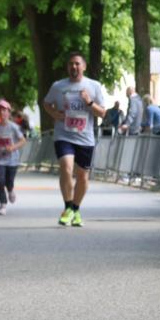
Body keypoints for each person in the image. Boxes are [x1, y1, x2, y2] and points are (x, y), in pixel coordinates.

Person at [42, 52, 106, 227]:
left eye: (77, 63)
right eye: (71, 64)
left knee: (83, 176)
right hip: (64, 134)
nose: (74, 67)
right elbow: (46, 103)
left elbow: (102, 112)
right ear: (67, 67)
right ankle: (68, 206)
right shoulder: (58, 86)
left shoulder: (94, 86)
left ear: (83, 66)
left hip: (85, 137)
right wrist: (55, 113)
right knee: (66, 166)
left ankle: (76, 209)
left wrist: (89, 102)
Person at [0, 99, 25, 215]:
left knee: (9, 181)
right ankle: (3, 204)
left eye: (4, 110)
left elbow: (23, 140)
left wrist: (13, 147)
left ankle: (10, 190)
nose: (2, 112)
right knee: (0, 181)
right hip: (0, 159)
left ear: (8, 112)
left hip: (12, 160)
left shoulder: (14, 127)